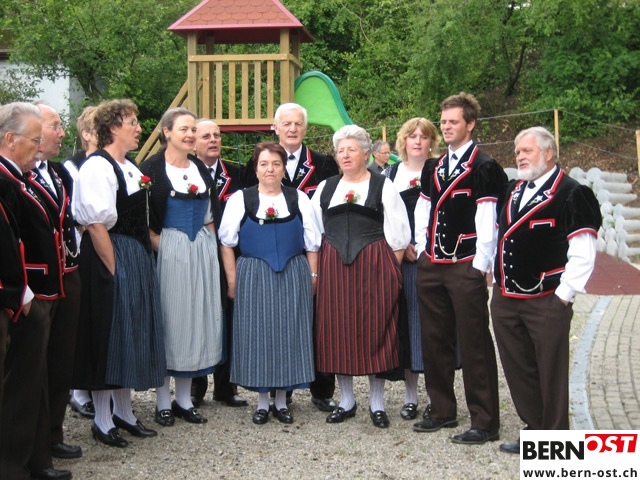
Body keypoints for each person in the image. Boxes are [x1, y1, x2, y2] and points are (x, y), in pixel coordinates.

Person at [491, 126, 601, 454]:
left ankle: (554, 440)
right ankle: (534, 428)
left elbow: (583, 251)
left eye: (527, 150)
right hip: (506, 298)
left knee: (550, 371)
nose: (520, 157)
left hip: (547, 299)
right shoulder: (512, 190)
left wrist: (563, 297)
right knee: (517, 367)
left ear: (549, 152)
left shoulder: (572, 193)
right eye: (517, 152)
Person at [413, 92, 506, 445]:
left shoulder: (484, 166)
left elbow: (488, 218)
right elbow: (423, 208)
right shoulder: (433, 167)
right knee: (434, 338)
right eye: (444, 121)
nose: (447, 127)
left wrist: (479, 265)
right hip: (432, 263)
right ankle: (442, 409)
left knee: (474, 341)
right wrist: (423, 249)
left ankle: (485, 420)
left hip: (465, 264)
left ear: (470, 124)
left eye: (454, 121)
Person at [72, 99, 165, 448]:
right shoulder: (97, 167)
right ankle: (102, 418)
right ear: (112, 128)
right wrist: (114, 270)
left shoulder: (129, 165)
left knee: (130, 332)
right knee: (109, 334)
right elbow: (96, 225)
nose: (139, 128)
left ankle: (124, 412)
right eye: (132, 122)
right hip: (111, 255)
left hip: (134, 255)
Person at [311, 124, 410, 429]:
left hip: (375, 266)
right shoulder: (326, 187)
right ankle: (346, 400)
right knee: (337, 331)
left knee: (375, 329)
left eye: (351, 149)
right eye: (340, 150)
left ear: (365, 154)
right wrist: (317, 271)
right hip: (333, 267)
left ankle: (376, 403)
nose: (345, 155)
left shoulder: (383, 186)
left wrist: (389, 270)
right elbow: (315, 230)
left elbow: (399, 234)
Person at [245, 102, 339, 412]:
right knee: (274, 322)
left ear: (305, 128)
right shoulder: (258, 163)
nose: (292, 128)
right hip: (273, 255)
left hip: (313, 252)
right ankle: (277, 390)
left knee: (317, 321)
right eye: (286, 123)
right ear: (275, 127)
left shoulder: (323, 164)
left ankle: (321, 389)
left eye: (298, 123)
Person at [219, 141, 320, 425]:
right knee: (258, 335)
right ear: (256, 168)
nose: (270, 169)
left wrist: (313, 277)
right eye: (264, 164)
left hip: (293, 272)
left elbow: (313, 244)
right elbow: (226, 243)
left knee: (289, 333)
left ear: (284, 168)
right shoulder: (241, 199)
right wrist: (232, 281)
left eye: (276, 164)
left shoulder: (300, 199)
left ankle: (282, 401)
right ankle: (262, 402)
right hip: (253, 274)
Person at [0, 102, 72, 480]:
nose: (39, 144)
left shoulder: (28, 176)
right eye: (34, 138)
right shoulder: (6, 180)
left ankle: (33, 457)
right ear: (10, 139)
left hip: (39, 288)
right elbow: (9, 242)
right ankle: (14, 465)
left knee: (35, 381)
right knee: (21, 386)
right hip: (24, 293)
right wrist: (20, 291)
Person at [140, 108, 223, 427]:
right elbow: (143, 219)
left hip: (200, 251)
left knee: (195, 321)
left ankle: (184, 399)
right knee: (171, 320)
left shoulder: (199, 168)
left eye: (193, 129)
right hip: (169, 252)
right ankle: (163, 400)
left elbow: (210, 215)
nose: (190, 135)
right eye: (184, 129)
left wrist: (209, 247)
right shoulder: (151, 169)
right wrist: (165, 247)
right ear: (167, 132)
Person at [27, 102, 84, 466]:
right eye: (55, 126)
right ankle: (33, 448)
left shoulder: (59, 173)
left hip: (67, 274)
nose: (62, 133)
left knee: (61, 358)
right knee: (34, 366)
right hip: (36, 282)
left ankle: (53, 434)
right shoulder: (19, 176)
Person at [190, 118, 247, 409]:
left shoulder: (237, 174)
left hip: (231, 255)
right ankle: (195, 386)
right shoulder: (185, 173)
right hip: (196, 255)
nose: (213, 140)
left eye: (217, 135)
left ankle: (226, 386)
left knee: (229, 318)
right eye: (206, 136)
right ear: (193, 142)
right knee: (198, 317)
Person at [387, 118, 440, 421]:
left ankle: (436, 396)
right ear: (403, 141)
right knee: (407, 327)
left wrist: (423, 245)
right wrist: (401, 244)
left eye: (424, 136)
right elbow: (385, 216)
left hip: (432, 258)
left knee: (432, 327)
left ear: (432, 142)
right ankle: (410, 397)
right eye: (412, 136)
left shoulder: (440, 171)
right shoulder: (390, 174)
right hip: (402, 260)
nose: (418, 141)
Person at [67, 105, 98, 420]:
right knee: (81, 319)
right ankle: (78, 390)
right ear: (87, 135)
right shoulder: (71, 168)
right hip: (79, 250)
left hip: (105, 245)